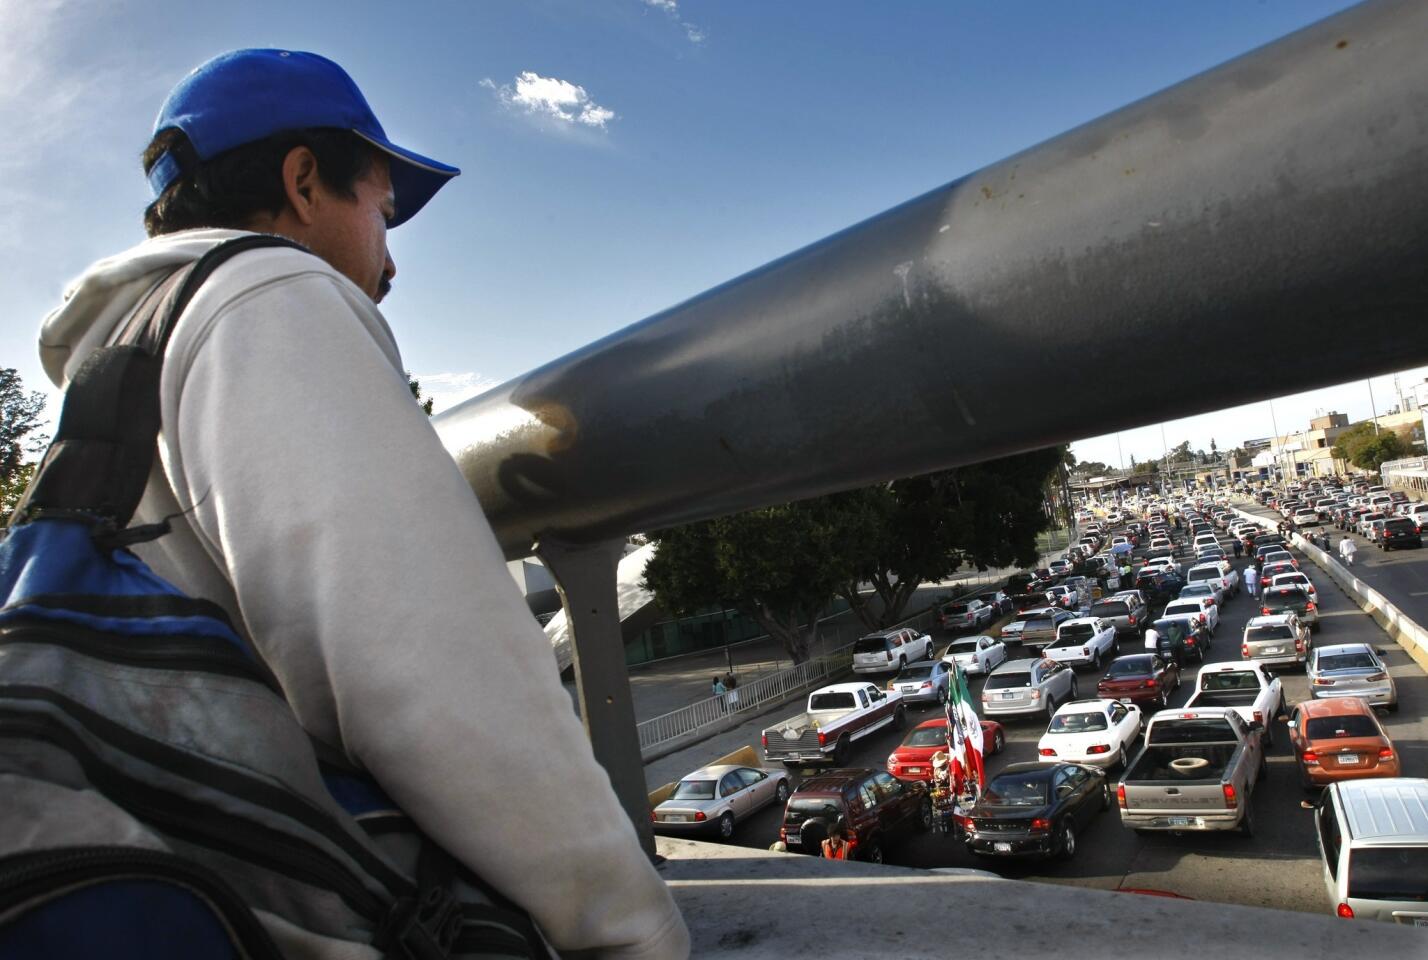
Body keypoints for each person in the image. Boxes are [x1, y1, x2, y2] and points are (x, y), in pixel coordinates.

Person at [37, 49, 688, 958]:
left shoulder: (115, 369)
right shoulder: (272, 297)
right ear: (305, 180)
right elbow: (433, 676)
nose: (389, 261)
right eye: (382, 211)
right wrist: (630, 928)